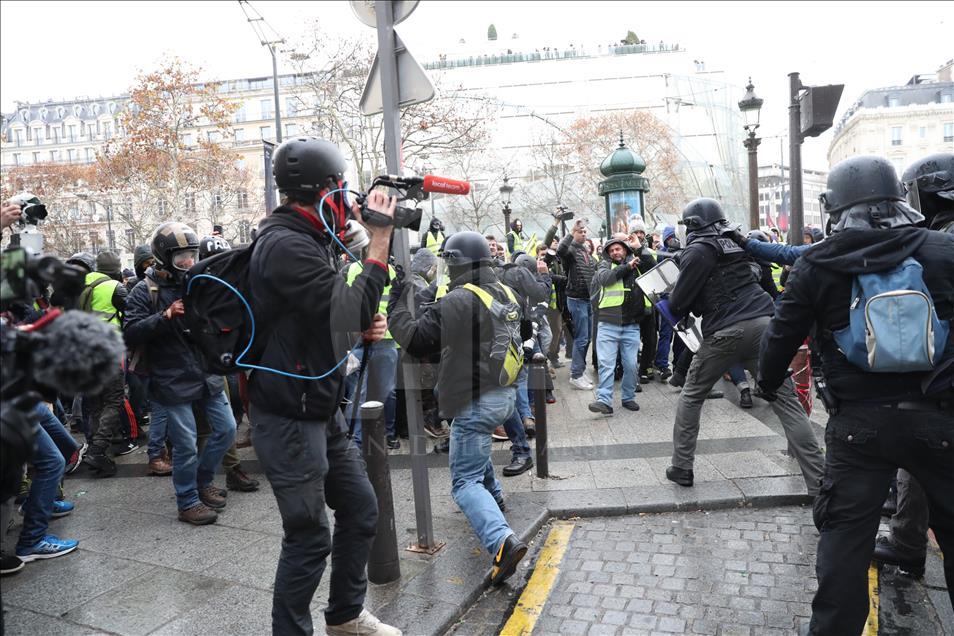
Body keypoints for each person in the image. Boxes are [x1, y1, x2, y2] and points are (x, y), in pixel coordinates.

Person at [756, 155, 954, 635]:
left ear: (836, 206)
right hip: (939, 419)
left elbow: (780, 339)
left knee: (844, 545)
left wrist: (766, 382)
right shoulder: (943, 250)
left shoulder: (818, 262)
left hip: (857, 428)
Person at [247, 136, 400, 636]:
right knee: (309, 535)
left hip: (318, 404)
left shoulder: (309, 239)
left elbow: (324, 316)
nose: (348, 199)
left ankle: (345, 615)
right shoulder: (286, 244)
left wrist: (358, 328)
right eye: (342, 189)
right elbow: (348, 308)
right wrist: (380, 239)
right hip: (288, 414)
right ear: (325, 191)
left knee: (360, 507)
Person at [389, 231, 529, 586]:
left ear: (456, 263)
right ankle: (494, 500)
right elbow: (518, 331)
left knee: (464, 482)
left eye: (448, 263)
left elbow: (416, 339)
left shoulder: (461, 299)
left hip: (475, 402)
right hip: (505, 397)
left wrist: (396, 302)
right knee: (476, 455)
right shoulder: (504, 291)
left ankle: (502, 542)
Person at [660, 198, 824, 491]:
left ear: (693, 224)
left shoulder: (697, 250)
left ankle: (682, 467)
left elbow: (679, 303)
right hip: (764, 325)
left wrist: (668, 295)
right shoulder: (735, 243)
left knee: (691, 396)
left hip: (725, 330)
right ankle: (820, 481)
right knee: (786, 403)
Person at [124, 222, 237, 526]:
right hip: (170, 376)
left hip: (205, 371)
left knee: (227, 430)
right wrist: (165, 315)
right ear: (164, 258)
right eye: (181, 257)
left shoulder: (197, 283)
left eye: (191, 255)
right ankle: (187, 500)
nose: (188, 262)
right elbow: (130, 332)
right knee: (185, 444)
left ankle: (202, 481)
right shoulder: (144, 290)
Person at [589, 235, 653, 414]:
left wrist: (639, 248)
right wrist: (627, 267)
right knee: (606, 365)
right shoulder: (604, 265)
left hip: (631, 325)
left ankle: (628, 397)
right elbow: (606, 279)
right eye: (611, 250)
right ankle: (604, 401)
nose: (615, 252)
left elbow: (652, 267)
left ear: (625, 249)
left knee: (631, 365)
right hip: (607, 324)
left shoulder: (637, 262)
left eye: (618, 249)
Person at [80, 251, 128, 477]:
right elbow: (130, 315)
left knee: (94, 403)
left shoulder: (78, 285)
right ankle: (98, 450)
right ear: (116, 268)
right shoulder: (115, 288)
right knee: (114, 400)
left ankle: (94, 448)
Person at [545, 218, 596, 390]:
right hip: (576, 300)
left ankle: (580, 370)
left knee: (587, 338)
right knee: (581, 338)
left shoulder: (585, 251)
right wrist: (571, 231)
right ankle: (576, 375)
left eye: (585, 231)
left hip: (587, 299)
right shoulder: (571, 250)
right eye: (580, 231)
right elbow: (560, 250)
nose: (583, 233)